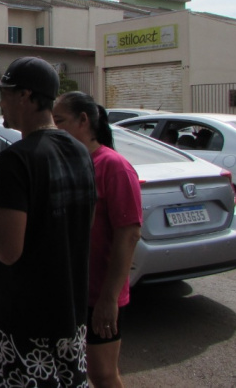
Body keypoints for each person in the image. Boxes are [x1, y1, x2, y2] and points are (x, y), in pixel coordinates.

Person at [0, 57, 95, 387]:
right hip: (71, 315)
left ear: (24, 96)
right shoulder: (80, 152)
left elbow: (8, 250)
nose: (1, 102)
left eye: (4, 93)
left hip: (28, 325)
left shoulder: (17, 158)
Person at [53, 91, 142, 388]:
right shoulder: (68, 163)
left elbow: (128, 234)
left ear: (83, 120)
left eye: (60, 121)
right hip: (70, 292)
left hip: (98, 293)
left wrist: (108, 298)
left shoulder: (113, 166)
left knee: (102, 374)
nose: (55, 129)